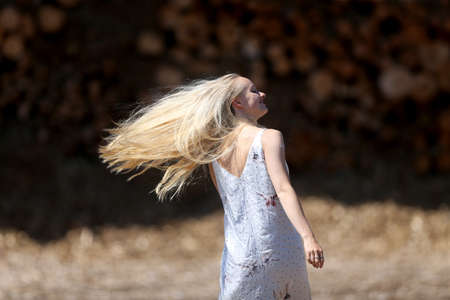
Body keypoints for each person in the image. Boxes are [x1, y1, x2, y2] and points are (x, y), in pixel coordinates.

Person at [98, 73, 324, 299]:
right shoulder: (269, 137)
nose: (262, 93)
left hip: (239, 258)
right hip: (279, 250)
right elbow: (283, 190)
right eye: (254, 91)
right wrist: (308, 237)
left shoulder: (215, 151)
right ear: (237, 102)